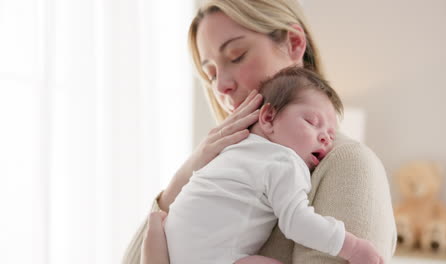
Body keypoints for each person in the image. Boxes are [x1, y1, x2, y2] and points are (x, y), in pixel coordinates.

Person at [122, 1, 396, 263]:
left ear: (294, 43)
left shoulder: (347, 165)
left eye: (237, 56)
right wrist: (186, 174)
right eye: (211, 75)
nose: (221, 87)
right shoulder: (222, 167)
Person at [140, 66, 385, 264]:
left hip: (168, 245)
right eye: (312, 122)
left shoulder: (231, 149)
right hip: (214, 258)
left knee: (156, 221)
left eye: (331, 134)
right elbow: (297, 222)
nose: (325, 137)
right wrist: (352, 247)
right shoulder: (285, 160)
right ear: (268, 118)